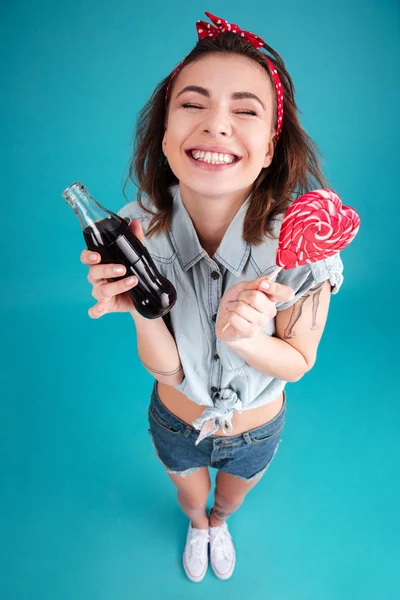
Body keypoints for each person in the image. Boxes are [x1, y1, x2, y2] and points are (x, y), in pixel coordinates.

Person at [81, 12, 344, 582]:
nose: (217, 125)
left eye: (245, 111)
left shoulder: (304, 246)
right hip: (174, 418)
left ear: (271, 147)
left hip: (258, 426)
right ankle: (198, 526)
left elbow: (298, 362)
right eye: (192, 105)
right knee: (188, 498)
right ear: (166, 136)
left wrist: (249, 337)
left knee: (231, 500)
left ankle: (219, 523)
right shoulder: (134, 234)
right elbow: (166, 368)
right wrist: (140, 313)